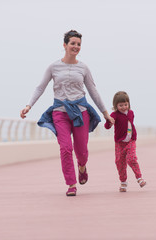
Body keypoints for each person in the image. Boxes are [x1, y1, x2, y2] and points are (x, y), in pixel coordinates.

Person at [20, 30, 114, 197]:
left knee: (82, 150)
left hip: (81, 112)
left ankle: (82, 167)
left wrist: (105, 113)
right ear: (64, 45)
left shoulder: (83, 68)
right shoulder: (53, 67)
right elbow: (40, 87)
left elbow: (93, 91)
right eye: (72, 43)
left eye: (78, 44)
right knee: (65, 148)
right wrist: (29, 106)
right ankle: (71, 184)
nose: (75, 47)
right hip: (60, 112)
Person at [104, 91, 146, 192]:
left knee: (131, 159)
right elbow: (107, 127)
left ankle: (139, 178)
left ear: (129, 104)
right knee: (119, 163)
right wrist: (109, 121)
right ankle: (123, 182)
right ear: (116, 105)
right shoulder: (114, 115)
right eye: (121, 105)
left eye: (126, 104)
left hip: (130, 141)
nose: (124, 107)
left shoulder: (131, 113)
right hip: (119, 143)